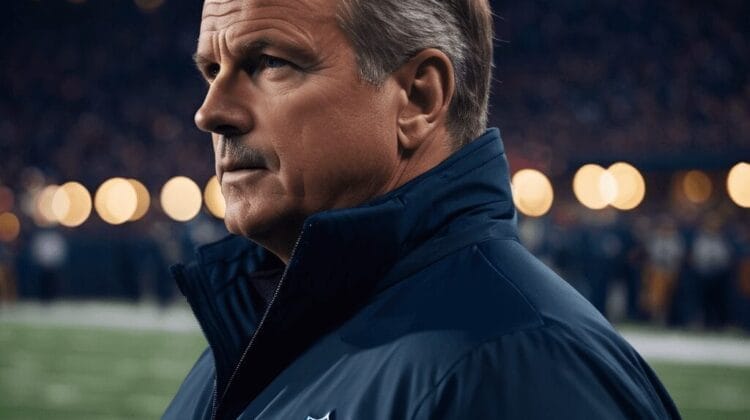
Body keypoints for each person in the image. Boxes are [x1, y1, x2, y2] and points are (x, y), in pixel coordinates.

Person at [165, 0, 679, 418]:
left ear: (417, 97)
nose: (210, 112)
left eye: (268, 62)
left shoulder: (516, 365)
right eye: (211, 70)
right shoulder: (251, 340)